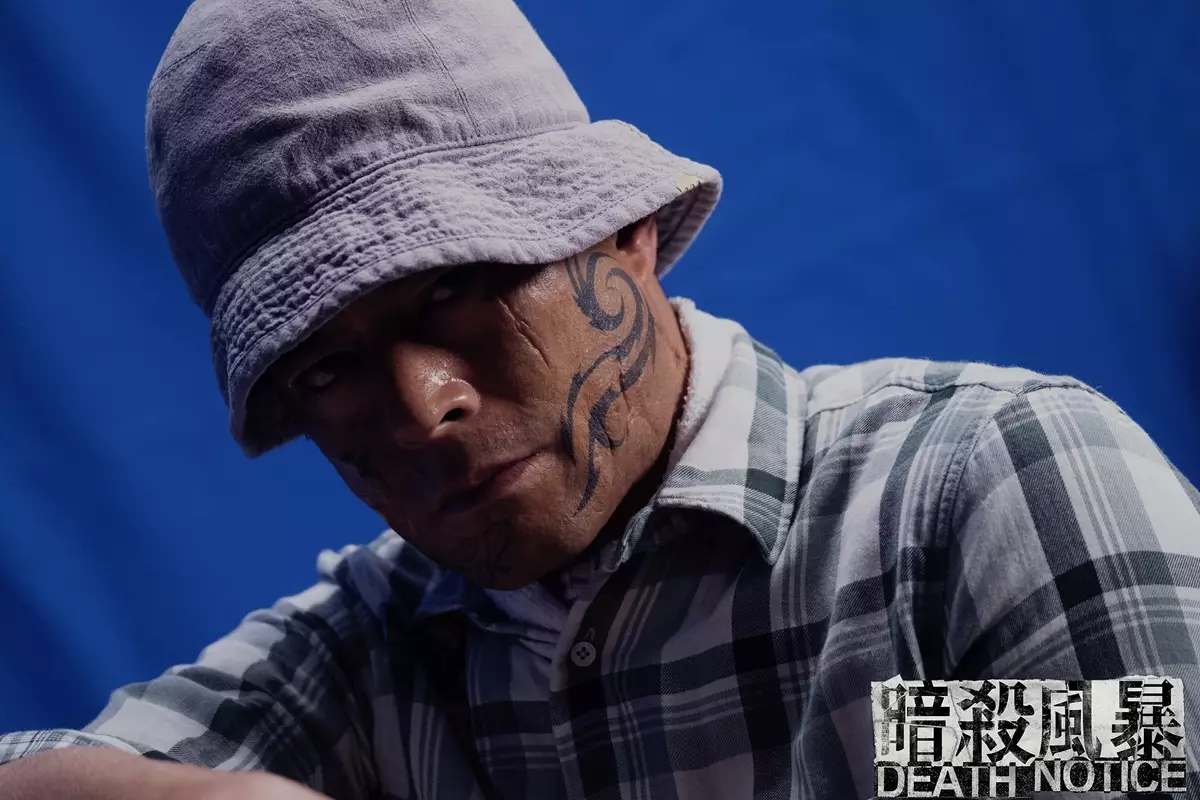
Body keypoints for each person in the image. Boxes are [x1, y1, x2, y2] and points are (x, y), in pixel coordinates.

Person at [2, 0, 1198, 797]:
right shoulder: (375, 659)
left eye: (457, 285)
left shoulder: (980, 502)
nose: (422, 406)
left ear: (624, 231)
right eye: (327, 366)